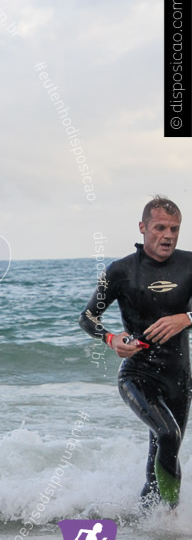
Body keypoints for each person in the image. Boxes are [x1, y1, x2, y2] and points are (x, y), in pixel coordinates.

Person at [79, 196, 192, 507]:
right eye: (160, 228)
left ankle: (150, 527)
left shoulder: (190, 265)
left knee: (163, 451)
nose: (168, 235)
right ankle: (168, 522)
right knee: (168, 435)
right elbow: (87, 317)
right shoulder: (121, 271)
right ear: (143, 228)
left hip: (179, 380)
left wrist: (186, 318)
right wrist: (111, 339)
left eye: (174, 229)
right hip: (138, 374)